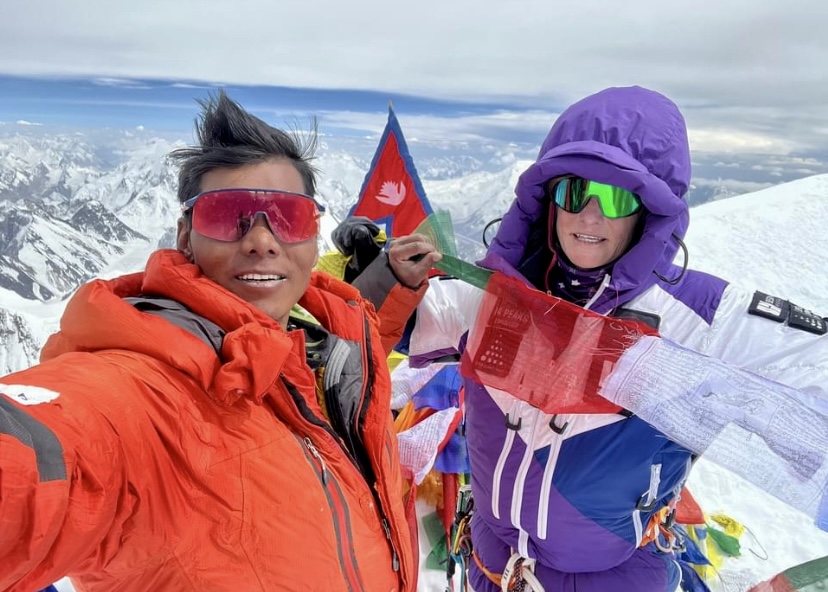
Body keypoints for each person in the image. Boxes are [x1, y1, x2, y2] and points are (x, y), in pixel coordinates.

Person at [0, 91, 440, 592]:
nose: (261, 239)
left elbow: (339, 365)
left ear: (314, 236)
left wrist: (390, 280)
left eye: (289, 217)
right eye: (226, 214)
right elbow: (49, 457)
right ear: (185, 237)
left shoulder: (310, 331)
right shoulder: (142, 395)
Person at [395, 86, 828, 591]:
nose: (590, 216)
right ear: (548, 200)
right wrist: (380, 276)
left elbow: (811, 368)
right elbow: (389, 326)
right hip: (492, 568)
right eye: (573, 191)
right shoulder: (494, 297)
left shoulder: (697, 319)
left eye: (617, 196)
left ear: (649, 212)